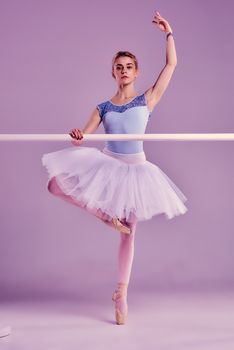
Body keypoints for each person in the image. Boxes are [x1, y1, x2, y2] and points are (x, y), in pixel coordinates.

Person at [41, 11, 188, 325]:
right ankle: (105, 216)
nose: (124, 71)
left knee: (129, 234)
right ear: (113, 72)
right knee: (54, 184)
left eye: (129, 67)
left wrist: (169, 33)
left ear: (136, 73)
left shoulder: (146, 99)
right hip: (108, 164)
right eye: (119, 67)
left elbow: (172, 66)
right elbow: (84, 136)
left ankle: (121, 293)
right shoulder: (103, 107)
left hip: (135, 170)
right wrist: (80, 136)